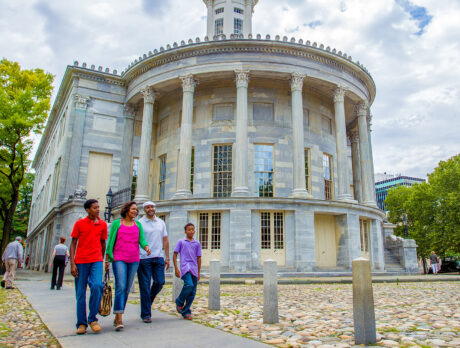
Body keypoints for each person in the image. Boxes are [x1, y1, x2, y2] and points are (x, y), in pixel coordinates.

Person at [105, 201, 151, 331]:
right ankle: (119, 317)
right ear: (126, 210)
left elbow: (141, 239)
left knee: (126, 289)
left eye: (136, 210)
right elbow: (110, 242)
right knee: (120, 286)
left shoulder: (138, 225)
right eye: (133, 209)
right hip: (119, 258)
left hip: (133, 259)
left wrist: (146, 247)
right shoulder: (116, 223)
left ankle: (119, 313)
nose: (135, 211)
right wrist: (107, 258)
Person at [70, 199, 107, 335]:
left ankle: (92, 318)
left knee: (97, 286)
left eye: (98, 207)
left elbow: (103, 243)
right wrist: (72, 263)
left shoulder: (102, 224)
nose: (98, 209)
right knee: (80, 293)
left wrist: (102, 259)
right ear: (88, 210)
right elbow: (73, 243)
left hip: (96, 260)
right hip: (80, 261)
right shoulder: (79, 223)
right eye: (94, 208)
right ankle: (81, 323)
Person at [137, 201, 170, 323]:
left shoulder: (161, 222)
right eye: (148, 207)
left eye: (152, 207)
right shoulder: (139, 223)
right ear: (144, 209)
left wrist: (167, 257)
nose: (150, 209)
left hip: (158, 256)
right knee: (145, 286)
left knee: (160, 282)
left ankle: (148, 301)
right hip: (144, 257)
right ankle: (146, 314)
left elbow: (165, 240)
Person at [173, 223, 201, 320]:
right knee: (188, 285)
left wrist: (199, 272)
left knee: (192, 292)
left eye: (192, 229)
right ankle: (180, 301)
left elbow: (199, 258)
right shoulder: (181, 242)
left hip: (194, 268)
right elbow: (175, 254)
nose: (191, 231)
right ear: (185, 231)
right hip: (185, 267)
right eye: (189, 230)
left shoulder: (197, 243)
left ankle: (186, 311)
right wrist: (176, 268)